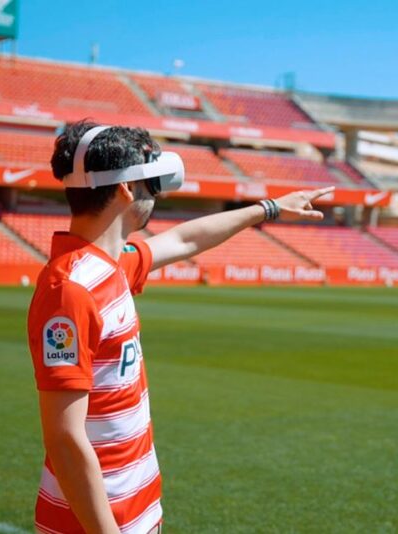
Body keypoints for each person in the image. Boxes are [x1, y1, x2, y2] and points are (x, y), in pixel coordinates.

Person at [27, 121, 332, 533]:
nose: (157, 195)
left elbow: (186, 240)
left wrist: (269, 208)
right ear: (125, 190)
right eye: (152, 184)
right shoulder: (71, 289)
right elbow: (64, 439)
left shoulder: (110, 265)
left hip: (134, 509)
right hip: (91, 522)